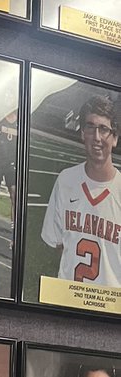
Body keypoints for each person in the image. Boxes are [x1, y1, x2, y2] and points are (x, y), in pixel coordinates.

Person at [41, 95, 121, 287]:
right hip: (69, 300)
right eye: (90, 127)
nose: (97, 138)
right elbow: (58, 242)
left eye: (104, 129)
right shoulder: (66, 180)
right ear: (82, 133)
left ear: (115, 138)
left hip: (110, 308)